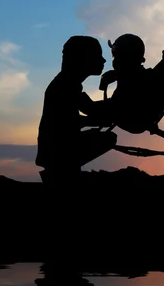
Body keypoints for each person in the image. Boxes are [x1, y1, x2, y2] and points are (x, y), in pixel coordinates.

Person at [36, 35, 117, 187]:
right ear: (84, 59)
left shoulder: (67, 83)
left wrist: (103, 114)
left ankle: (66, 173)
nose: (103, 60)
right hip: (58, 149)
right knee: (108, 139)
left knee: (106, 138)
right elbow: (72, 120)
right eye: (98, 56)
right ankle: (65, 175)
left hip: (54, 149)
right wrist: (99, 118)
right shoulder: (65, 85)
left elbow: (89, 108)